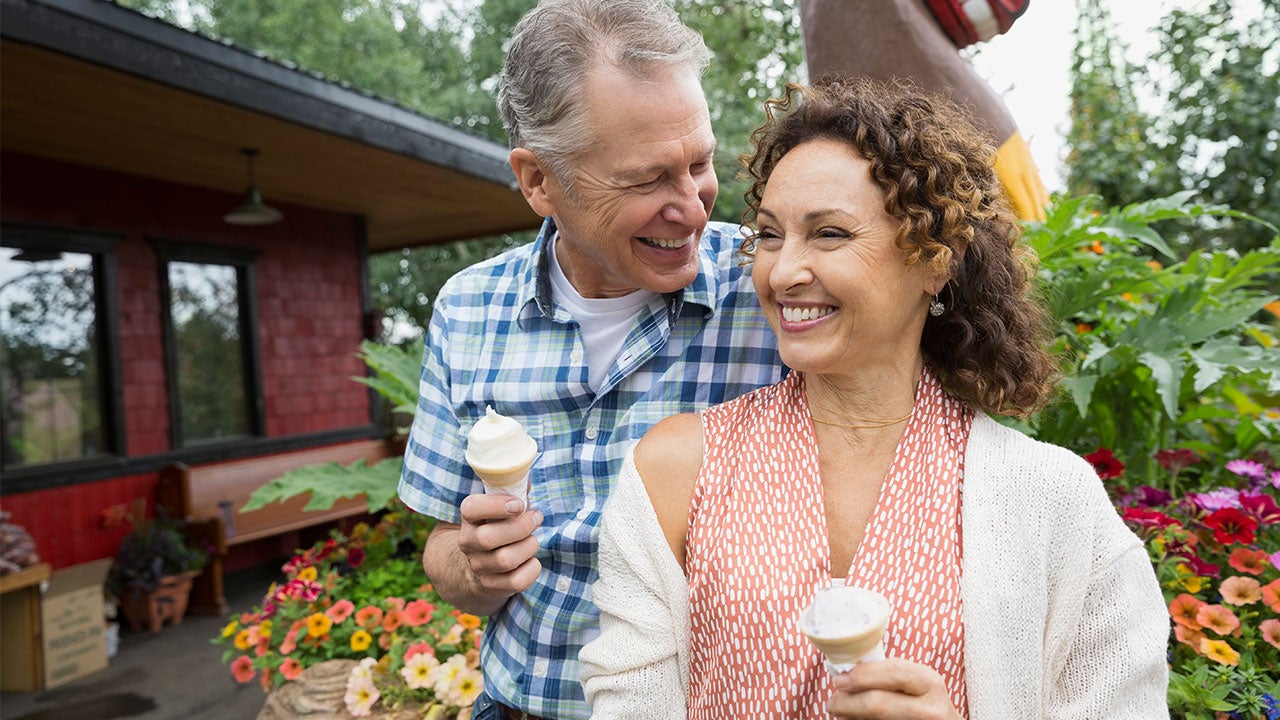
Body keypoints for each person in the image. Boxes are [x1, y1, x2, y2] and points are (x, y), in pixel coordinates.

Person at [579, 77, 1169, 718]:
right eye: (771, 235)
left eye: (829, 234)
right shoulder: (675, 472)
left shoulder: (1053, 500)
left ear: (935, 260)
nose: (782, 272)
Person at [396, 1, 782, 718]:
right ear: (539, 181)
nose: (693, 208)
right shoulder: (467, 311)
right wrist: (475, 566)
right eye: (646, 180)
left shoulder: (775, 287)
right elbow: (444, 547)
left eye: (698, 164)